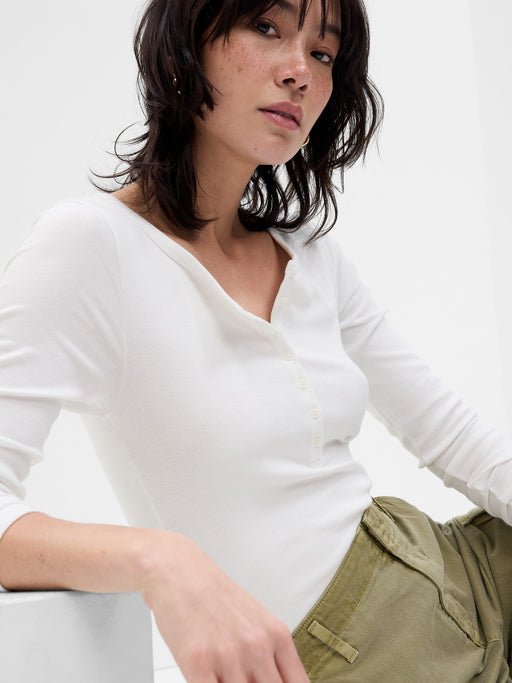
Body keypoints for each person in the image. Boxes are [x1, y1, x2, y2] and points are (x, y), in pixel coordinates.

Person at [0, 0, 511, 681]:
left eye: (323, 53)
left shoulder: (310, 255)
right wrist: (161, 560)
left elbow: (452, 436)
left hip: (468, 570)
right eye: (267, 28)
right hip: (347, 659)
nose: (300, 71)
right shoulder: (91, 246)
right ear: (185, 42)